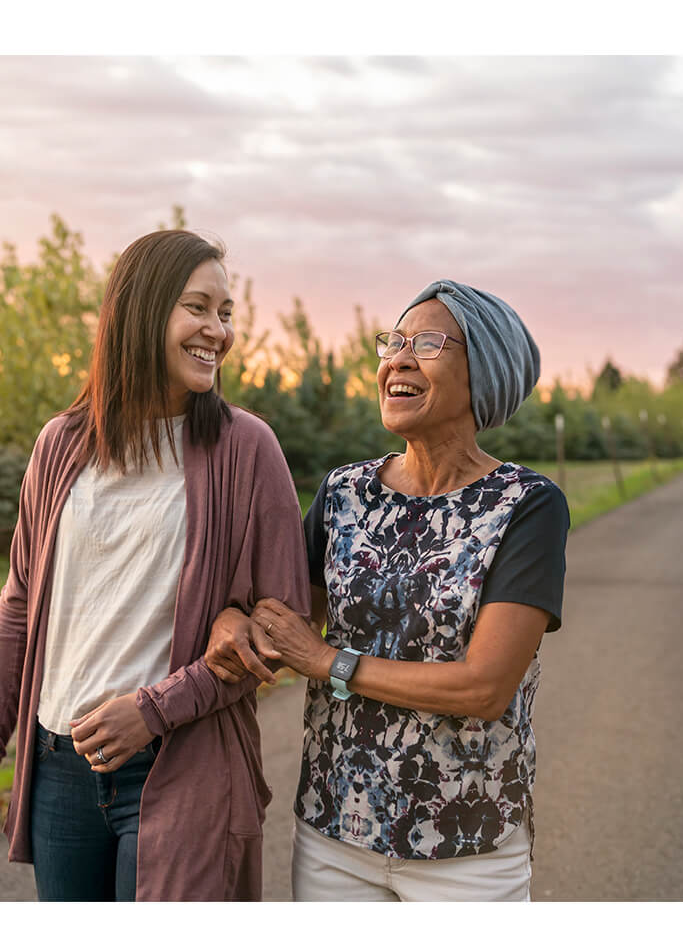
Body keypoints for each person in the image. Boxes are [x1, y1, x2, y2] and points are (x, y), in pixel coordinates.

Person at [0, 230, 310, 901]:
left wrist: (154, 710)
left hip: (183, 763)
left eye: (227, 313)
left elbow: (281, 629)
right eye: (199, 308)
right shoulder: (60, 444)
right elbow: (17, 606)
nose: (219, 330)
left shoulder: (247, 449)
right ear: (142, 310)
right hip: (60, 768)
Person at [206, 279, 569, 902]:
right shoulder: (344, 493)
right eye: (393, 341)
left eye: (427, 343)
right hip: (334, 835)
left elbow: (484, 688)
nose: (397, 357)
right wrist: (233, 623)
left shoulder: (526, 507)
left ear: (483, 372)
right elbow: (283, 623)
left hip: (468, 845)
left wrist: (327, 661)